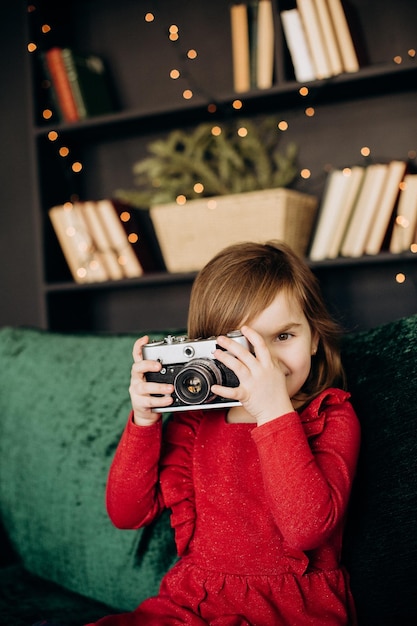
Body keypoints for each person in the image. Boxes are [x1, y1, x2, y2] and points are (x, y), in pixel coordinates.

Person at [88, 240, 361, 626]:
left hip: (290, 611)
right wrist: (144, 420)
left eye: (284, 336)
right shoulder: (196, 422)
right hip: (194, 604)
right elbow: (126, 513)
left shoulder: (331, 415)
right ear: (205, 349)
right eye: (241, 345)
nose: (263, 361)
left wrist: (271, 409)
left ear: (315, 337)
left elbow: (306, 529)